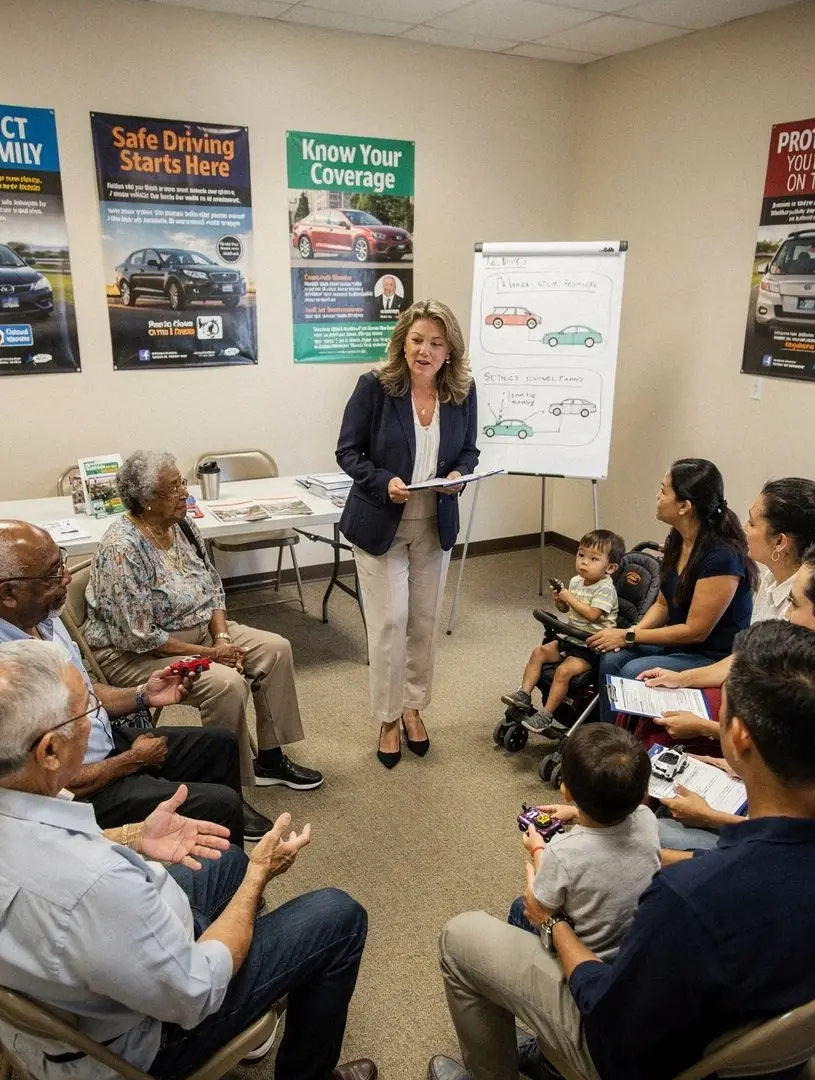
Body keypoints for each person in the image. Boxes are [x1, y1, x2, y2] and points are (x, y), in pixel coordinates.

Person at [429, 620, 815, 1080]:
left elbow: (606, 1011)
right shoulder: (724, 875)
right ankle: (552, 1068)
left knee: (465, 935)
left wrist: (551, 921)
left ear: (740, 735)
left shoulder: (689, 900)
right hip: (775, 1075)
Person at [0, 640, 376, 1080]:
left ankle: (255, 993)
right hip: (131, 1049)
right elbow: (196, 991)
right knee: (337, 915)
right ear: (47, 751)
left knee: (226, 857)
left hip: (58, 1017)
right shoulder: (95, 884)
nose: (93, 720)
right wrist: (257, 882)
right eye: (84, 710)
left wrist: (134, 837)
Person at [0, 519, 268, 848]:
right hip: (82, 791)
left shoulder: (42, 618)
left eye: (63, 562)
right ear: (9, 593)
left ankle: (222, 874)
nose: (67, 578)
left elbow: (83, 692)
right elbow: (55, 779)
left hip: (101, 741)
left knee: (222, 746)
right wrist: (131, 762)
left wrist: (143, 695)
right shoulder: (9, 673)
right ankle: (227, 891)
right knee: (221, 805)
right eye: (53, 572)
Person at [83, 452, 322, 791]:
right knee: (225, 683)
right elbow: (139, 637)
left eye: (182, 482)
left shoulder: (182, 525)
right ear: (146, 499)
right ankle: (228, 786)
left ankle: (270, 759)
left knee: (275, 650)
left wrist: (221, 639)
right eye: (172, 488)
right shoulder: (123, 548)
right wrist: (210, 655)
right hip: (136, 655)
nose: (184, 492)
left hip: (200, 634)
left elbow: (213, 587)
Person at [336, 298, 478, 767]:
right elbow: (348, 452)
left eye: (436, 343)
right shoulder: (374, 388)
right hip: (381, 521)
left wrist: (459, 474)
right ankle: (387, 718)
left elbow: (469, 451)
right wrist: (383, 481)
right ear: (402, 342)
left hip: (434, 523)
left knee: (423, 623)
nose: (425, 350)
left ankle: (414, 708)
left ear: (449, 350)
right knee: (389, 624)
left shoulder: (462, 391)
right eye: (417, 340)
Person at [658, 542, 815, 851]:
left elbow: (797, 840)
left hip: (776, 849)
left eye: (794, 604)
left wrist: (710, 816)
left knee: (648, 837)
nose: (785, 613)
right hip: (772, 813)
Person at [635, 476, 815, 744]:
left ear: (780, 542)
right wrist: (681, 679)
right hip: (743, 694)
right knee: (650, 703)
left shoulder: (803, 609)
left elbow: (780, 731)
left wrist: (704, 726)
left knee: (658, 726)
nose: (744, 528)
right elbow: (744, 658)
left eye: (753, 522)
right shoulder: (768, 580)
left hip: (762, 723)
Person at [590, 459, 755, 720]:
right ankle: (609, 738)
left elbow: (695, 632)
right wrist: (628, 633)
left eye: (664, 490)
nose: (658, 495)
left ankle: (629, 748)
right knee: (612, 657)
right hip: (678, 645)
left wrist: (630, 637)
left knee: (635, 671)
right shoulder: (677, 538)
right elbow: (663, 605)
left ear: (684, 507)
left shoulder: (722, 557)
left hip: (711, 656)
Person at [508, 725, 661, 961]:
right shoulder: (647, 817)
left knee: (519, 908)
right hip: (633, 942)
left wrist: (538, 849)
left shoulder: (562, 851)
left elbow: (539, 902)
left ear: (565, 790)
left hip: (588, 954)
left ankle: (529, 967)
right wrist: (577, 813)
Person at [502, 529, 624, 737]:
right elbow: (565, 610)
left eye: (593, 559)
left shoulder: (605, 589)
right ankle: (524, 694)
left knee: (563, 672)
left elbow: (593, 615)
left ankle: (546, 715)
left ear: (610, 567)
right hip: (570, 638)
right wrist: (560, 600)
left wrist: (569, 598)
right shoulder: (576, 581)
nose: (584, 562)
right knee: (539, 652)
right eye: (581, 555)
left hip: (591, 647)